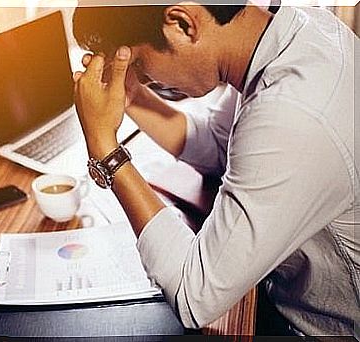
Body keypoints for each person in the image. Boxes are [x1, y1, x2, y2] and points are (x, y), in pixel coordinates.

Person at [71, 1, 359, 336]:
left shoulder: (291, 112)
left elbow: (195, 296)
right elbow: (217, 145)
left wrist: (105, 147)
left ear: (182, 24)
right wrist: (132, 98)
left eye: (138, 63)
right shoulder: (291, 32)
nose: (144, 79)